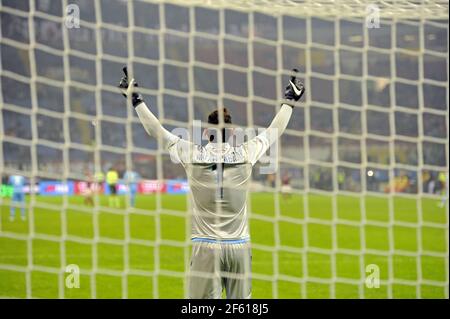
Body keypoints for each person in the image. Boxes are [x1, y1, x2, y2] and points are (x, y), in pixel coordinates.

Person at [118, 66, 305, 299]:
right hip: (239, 246)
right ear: (234, 132)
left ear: (207, 133)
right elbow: (273, 132)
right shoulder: (247, 153)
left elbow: (156, 130)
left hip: (206, 246)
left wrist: (136, 99)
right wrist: (290, 100)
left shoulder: (192, 154)